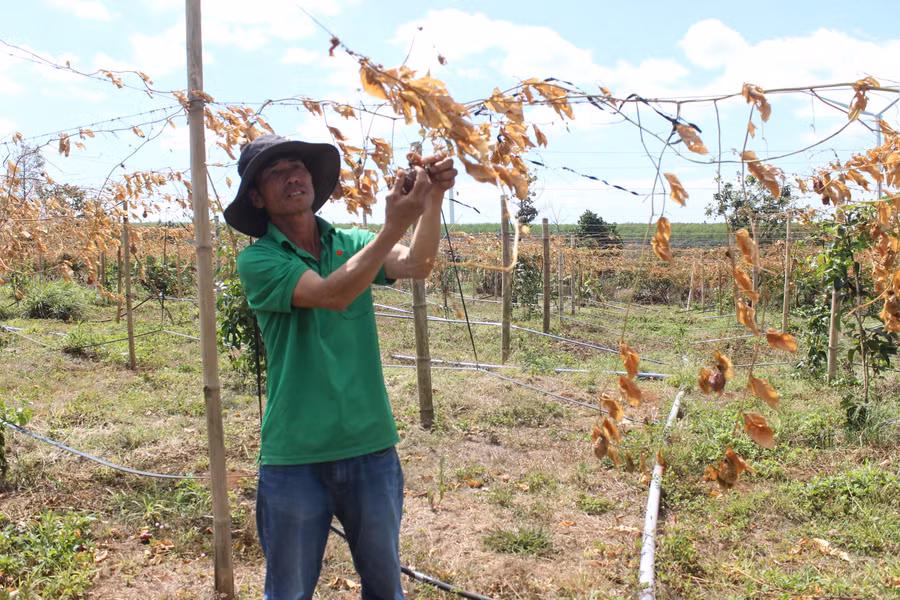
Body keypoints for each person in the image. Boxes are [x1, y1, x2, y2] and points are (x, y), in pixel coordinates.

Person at [224, 134, 456, 600]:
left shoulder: (349, 241)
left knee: (385, 589)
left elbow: (418, 263)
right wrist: (394, 225)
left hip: (370, 447)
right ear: (256, 197)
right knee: (288, 592)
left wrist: (430, 201)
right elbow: (333, 294)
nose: (293, 175)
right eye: (275, 172)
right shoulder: (259, 260)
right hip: (296, 457)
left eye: (299, 167)